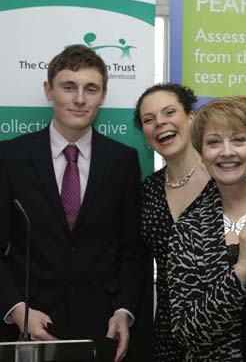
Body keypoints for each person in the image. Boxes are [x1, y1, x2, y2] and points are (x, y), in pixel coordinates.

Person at [0, 45, 146, 362]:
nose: (80, 99)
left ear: (102, 95)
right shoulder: (9, 157)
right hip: (29, 325)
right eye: (69, 87)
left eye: (90, 88)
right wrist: (16, 308)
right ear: (49, 90)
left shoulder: (123, 160)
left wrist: (124, 311)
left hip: (102, 327)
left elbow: (132, 248)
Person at [167, 96, 246, 361]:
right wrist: (240, 270)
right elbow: (186, 333)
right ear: (202, 155)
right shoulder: (188, 230)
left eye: (238, 139)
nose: (227, 152)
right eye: (214, 142)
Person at [134, 83, 211, 361]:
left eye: (169, 112)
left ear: (191, 117)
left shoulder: (226, 176)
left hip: (226, 325)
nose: (160, 123)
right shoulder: (148, 190)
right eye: (149, 119)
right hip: (168, 330)